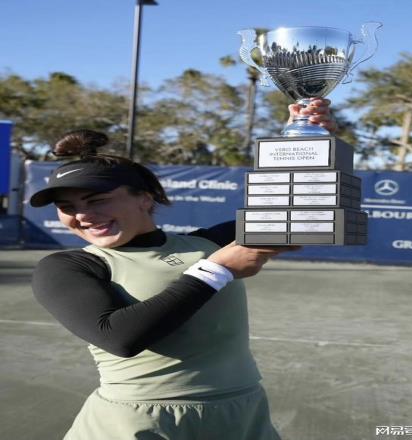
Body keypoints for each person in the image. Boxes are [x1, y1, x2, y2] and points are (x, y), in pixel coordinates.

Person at [30, 99, 335, 440]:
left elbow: (297, 211)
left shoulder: (205, 243)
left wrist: (304, 140)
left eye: (97, 200)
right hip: (141, 422)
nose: (82, 215)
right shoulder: (68, 266)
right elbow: (119, 338)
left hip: (242, 414)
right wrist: (216, 271)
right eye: (67, 207)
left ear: (144, 198)